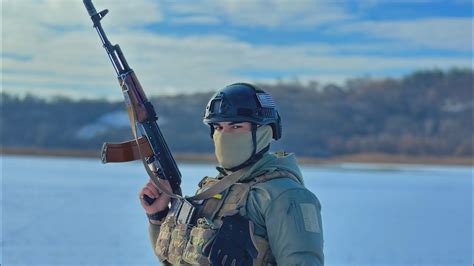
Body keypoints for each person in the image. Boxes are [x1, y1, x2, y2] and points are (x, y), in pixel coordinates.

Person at [139, 83, 324, 265]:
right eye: (218, 127)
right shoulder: (213, 189)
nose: (224, 134)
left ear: (263, 131)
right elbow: (178, 261)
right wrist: (157, 217)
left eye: (236, 127)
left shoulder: (285, 195)